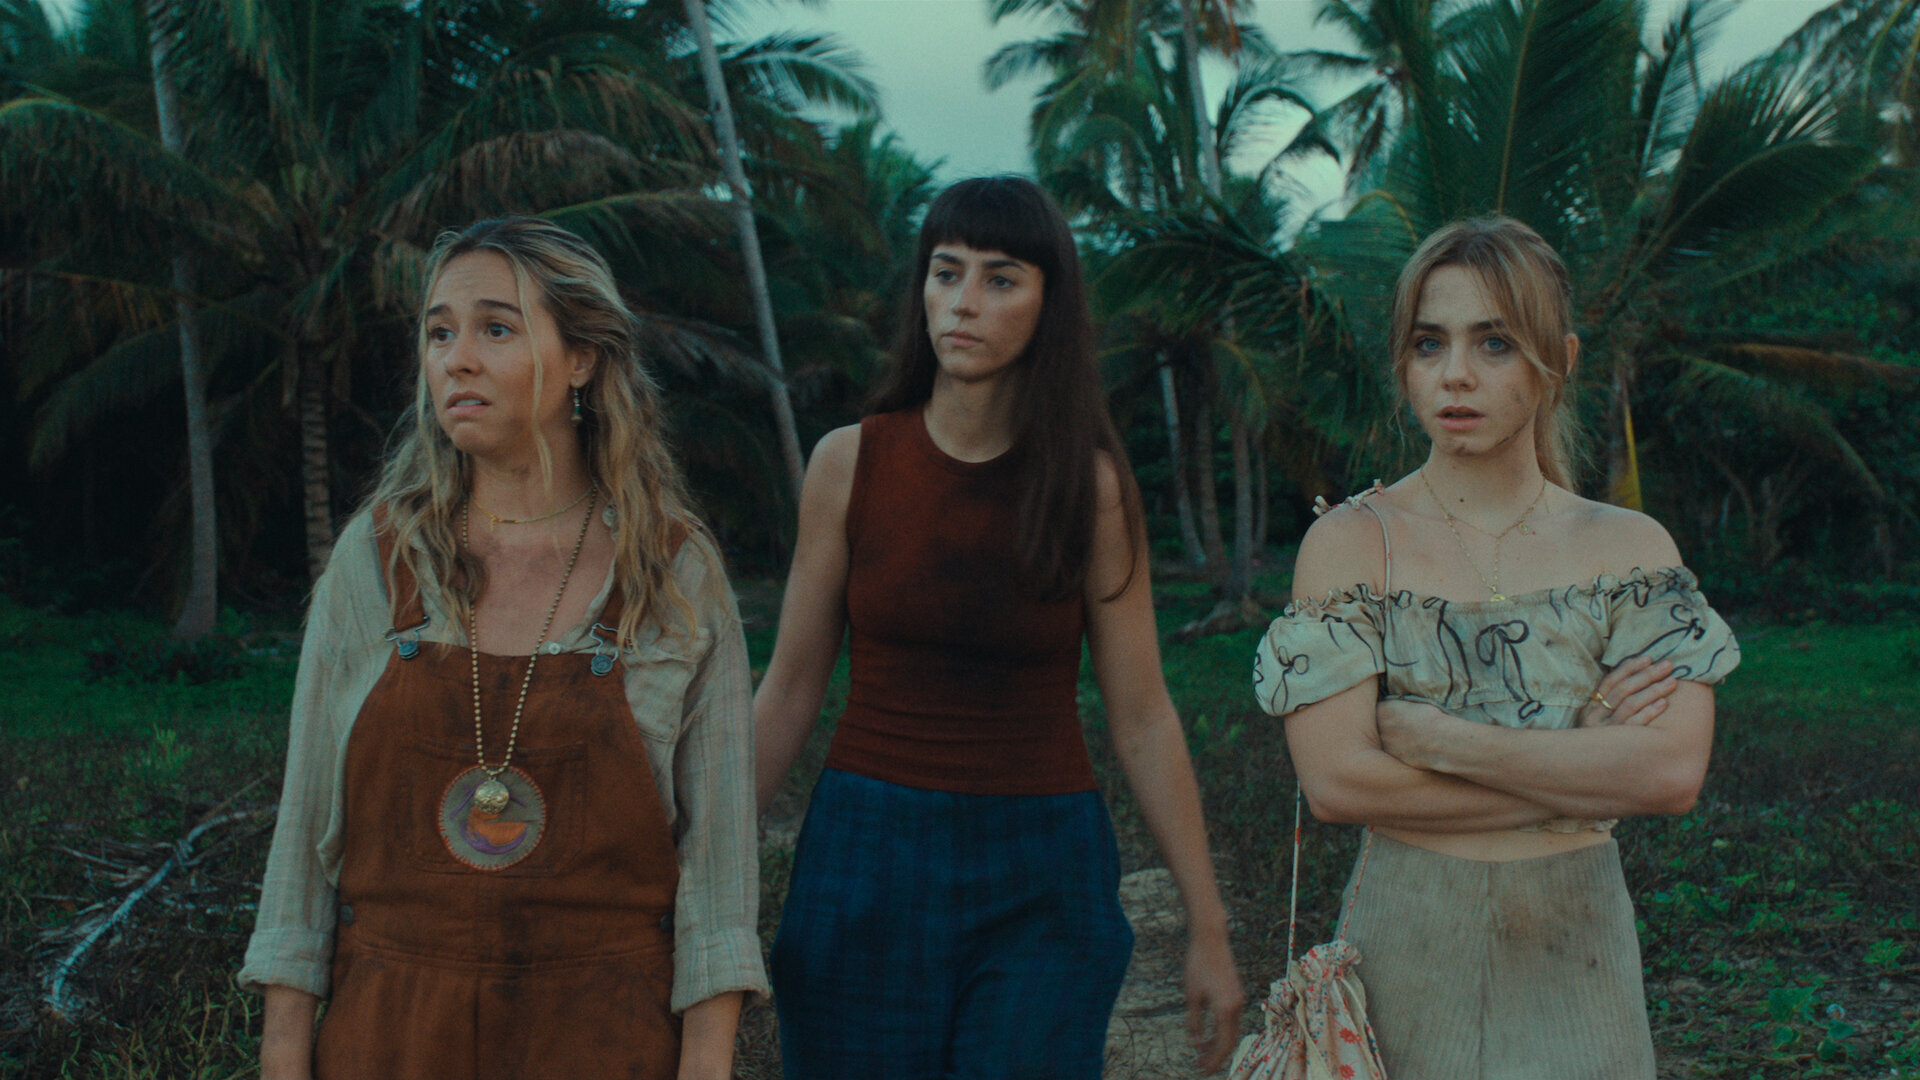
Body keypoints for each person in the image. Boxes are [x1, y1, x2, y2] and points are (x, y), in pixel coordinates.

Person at [239, 217, 766, 1080]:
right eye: (439, 333)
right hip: (390, 1036)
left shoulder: (672, 572)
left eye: (495, 328)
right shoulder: (379, 560)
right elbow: (301, 852)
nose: (457, 360)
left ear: (583, 358)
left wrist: (705, 1068)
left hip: (602, 1041)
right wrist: (282, 1058)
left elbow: (718, 886)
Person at [753, 176, 1245, 1078]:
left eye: (1001, 278)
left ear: (1050, 303)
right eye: (947, 273)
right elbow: (787, 689)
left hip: (1041, 867)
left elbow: (1143, 716)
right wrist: (699, 879)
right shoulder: (849, 463)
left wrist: (1207, 928)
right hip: (865, 854)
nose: (965, 302)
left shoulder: (1091, 489)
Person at [1252, 216, 1740, 1079]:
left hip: (1578, 951)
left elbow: (1669, 774)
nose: (1456, 374)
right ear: (1404, 363)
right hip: (1407, 943)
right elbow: (1338, 784)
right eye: (1429, 343)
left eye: (1495, 343)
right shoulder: (1354, 543)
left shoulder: (1628, 549)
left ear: (1561, 359)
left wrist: (1442, 741)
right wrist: (1581, 764)